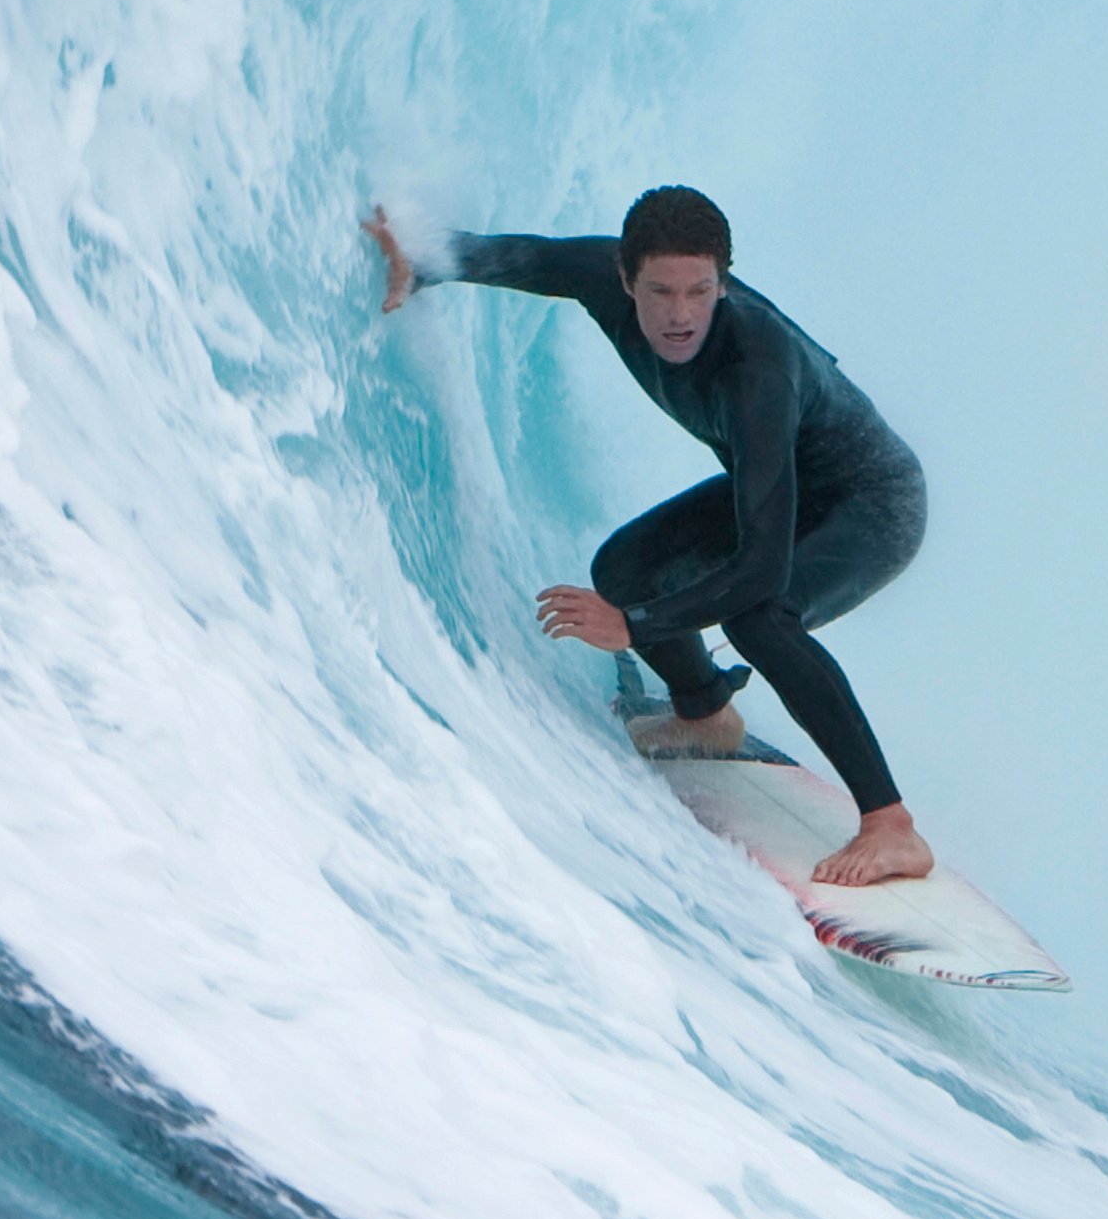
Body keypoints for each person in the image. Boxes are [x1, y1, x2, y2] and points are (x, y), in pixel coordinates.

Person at [363, 183, 935, 888]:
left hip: (868, 499)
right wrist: (421, 258)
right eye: (660, 291)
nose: (679, 314)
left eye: (700, 291)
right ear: (625, 277)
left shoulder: (757, 371)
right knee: (627, 567)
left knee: (760, 616)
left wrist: (630, 629)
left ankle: (889, 823)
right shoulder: (601, 277)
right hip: (783, 482)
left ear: (722, 284)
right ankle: (704, 713)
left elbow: (758, 567)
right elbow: (527, 258)